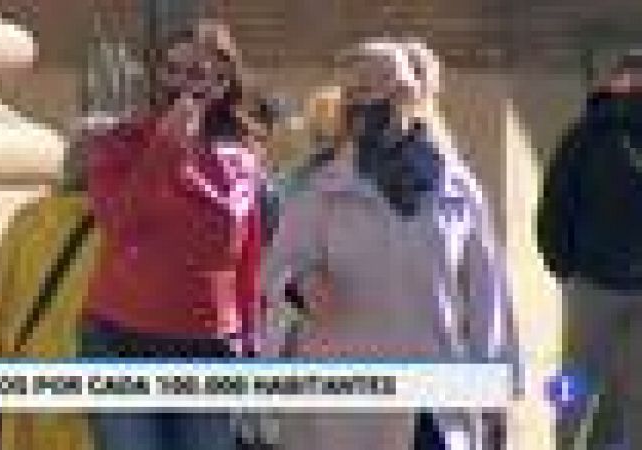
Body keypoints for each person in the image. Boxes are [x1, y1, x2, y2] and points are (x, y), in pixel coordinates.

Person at [261, 40, 519, 450]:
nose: (359, 105)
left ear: (407, 97)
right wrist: (299, 286)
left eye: (371, 90)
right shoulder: (322, 187)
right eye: (352, 94)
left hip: (434, 400)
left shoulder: (455, 188)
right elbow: (276, 274)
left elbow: (487, 295)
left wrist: (495, 395)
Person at [82, 19, 266, 450]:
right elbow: (120, 224)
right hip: (121, 339)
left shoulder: (241, 161)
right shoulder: (121, 144)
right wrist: (165, 147)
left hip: (208, 346)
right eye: (171, 71)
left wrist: (251, 341)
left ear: (222, 85)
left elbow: (245, 258)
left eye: (196, 75)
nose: (181, 86)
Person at [537, 50, 642, 450]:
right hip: (594, 281)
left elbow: (553, 205)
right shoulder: (586, 134)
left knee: (611, 390)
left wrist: (564, 267)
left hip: (602, 282)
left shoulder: (583, 132)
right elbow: (556, 205)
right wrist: (565, 267)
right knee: (600, 388)